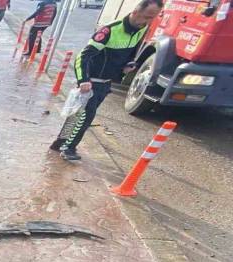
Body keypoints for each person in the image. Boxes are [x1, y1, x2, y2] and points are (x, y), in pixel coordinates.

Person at [50, 0, 163, 160]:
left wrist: (127, 65)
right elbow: (83, 56)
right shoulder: (109, 30)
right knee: (85, 116)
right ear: (136, 12)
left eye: (153, 17)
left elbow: (130, 52)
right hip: (92, 81)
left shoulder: (141, 28)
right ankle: (68, 148)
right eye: (147, 17)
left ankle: (59, 142)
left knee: (77, 113)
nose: (149, 21)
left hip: (106, 82)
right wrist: (83, 80)